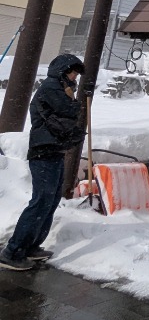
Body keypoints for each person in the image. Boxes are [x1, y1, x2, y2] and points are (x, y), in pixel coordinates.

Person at [0, 54, 89, 271]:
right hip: (43, 153)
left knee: (50, 200)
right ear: (62, 70)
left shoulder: (60, 87)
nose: (75, 76)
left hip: (53, 151)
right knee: (41, 201)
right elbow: (69, 111)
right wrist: (74, 101)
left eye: (76, 73)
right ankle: (13, 251)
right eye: (73, 71)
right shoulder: (51, 87)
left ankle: (31, 246)